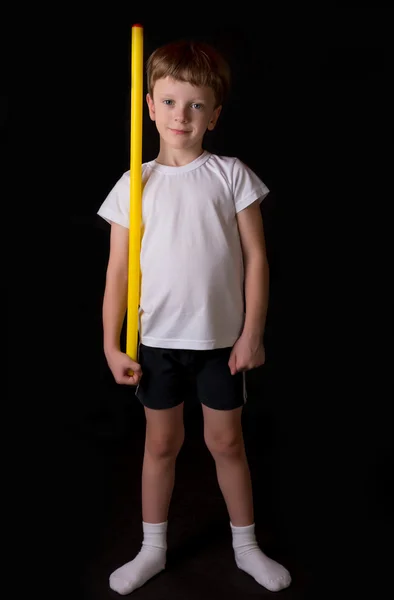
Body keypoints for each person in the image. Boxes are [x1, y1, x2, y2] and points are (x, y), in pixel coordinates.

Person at [97, 39, 291, 594]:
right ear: (150, 107)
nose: (182, 115)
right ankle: (152, 549)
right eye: (170, 101)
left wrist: (252, 334)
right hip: (155, 341)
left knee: (226, 443)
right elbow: (115, 275)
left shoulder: (231, 175)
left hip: (220, 341)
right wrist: (112, 346)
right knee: (160, 444)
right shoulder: (134, 185)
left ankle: (247, 547)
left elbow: (256, 257)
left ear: (215, 114)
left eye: (196, 105)